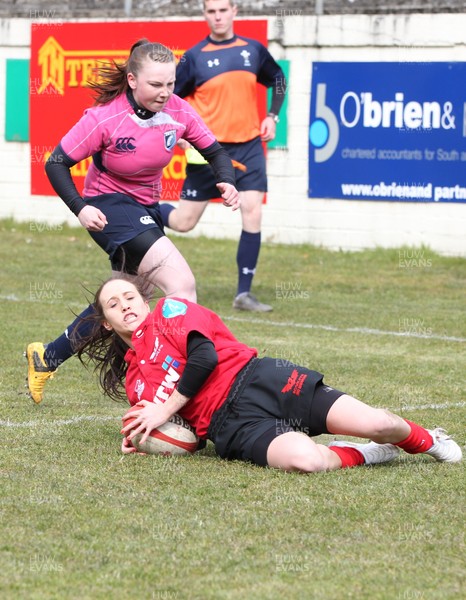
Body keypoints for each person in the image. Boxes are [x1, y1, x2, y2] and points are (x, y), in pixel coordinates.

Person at [25, 39, 240, 404]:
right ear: (132, 80)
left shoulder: (179, 111)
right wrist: (80, 207)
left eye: (170, 84)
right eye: (156, 85)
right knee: (182, 284)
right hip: (108, 209)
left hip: (145, 210)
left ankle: (46, 357)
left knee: (127, 296)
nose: (165, 93)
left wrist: (227, 181)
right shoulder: (105, 118)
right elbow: (56, 162)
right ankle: (176, 386)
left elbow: (215, 151)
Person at [77, 275, 462, 470]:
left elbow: (204, 359)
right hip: (229, 428)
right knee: (306, 461)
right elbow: (184, 432)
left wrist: (160, 412)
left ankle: (426, 438)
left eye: (129, 297)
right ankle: (367, 454)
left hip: (262, 380)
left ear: (144, 301)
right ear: (108, 323)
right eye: (114, 304)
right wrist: (145, 435)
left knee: (379, 422)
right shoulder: (134, 382)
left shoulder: (168, 312)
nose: (125, 305)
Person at [159, 0, 287, 313]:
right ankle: (144, 208)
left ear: (234, 12)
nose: (217, 16)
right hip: (209, 151)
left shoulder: (253, 50)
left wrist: (272, 115)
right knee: (184, 221)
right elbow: (168, 101)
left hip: (249, 147)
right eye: (211, 11)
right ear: (205, 15)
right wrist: (181, 138)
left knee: (252, 211)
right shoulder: (194, 57)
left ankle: (244, 294)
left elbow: (278, 79)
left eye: (222, 10)